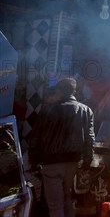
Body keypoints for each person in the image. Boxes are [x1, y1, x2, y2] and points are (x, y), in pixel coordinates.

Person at [29, 78, 95, 217]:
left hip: (51, 164)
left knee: (55, 205)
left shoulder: (48, 110)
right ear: (75, 91)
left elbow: (35, 138)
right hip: (73, 162)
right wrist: (88, 160)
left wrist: (33, 161)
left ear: (58, 91)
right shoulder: (86, 110)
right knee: (66, 199)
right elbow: (90, 139)